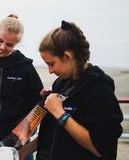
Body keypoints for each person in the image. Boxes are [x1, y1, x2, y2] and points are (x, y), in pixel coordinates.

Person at [19, 20, 123, 160]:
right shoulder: (60, 84)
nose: (50, 71)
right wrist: (25, 151)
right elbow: (51, 133)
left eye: (51, 64)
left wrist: (61, 114)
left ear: (67, 56)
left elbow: (100, 148)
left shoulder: (99, 89)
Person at [0, 14, 43, 153]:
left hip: (18, 141)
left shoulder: (25, 67)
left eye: (9, 44)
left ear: (16, 44)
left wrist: (24, 133)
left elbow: (37, 104)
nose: (2, 47)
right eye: (0, 40)